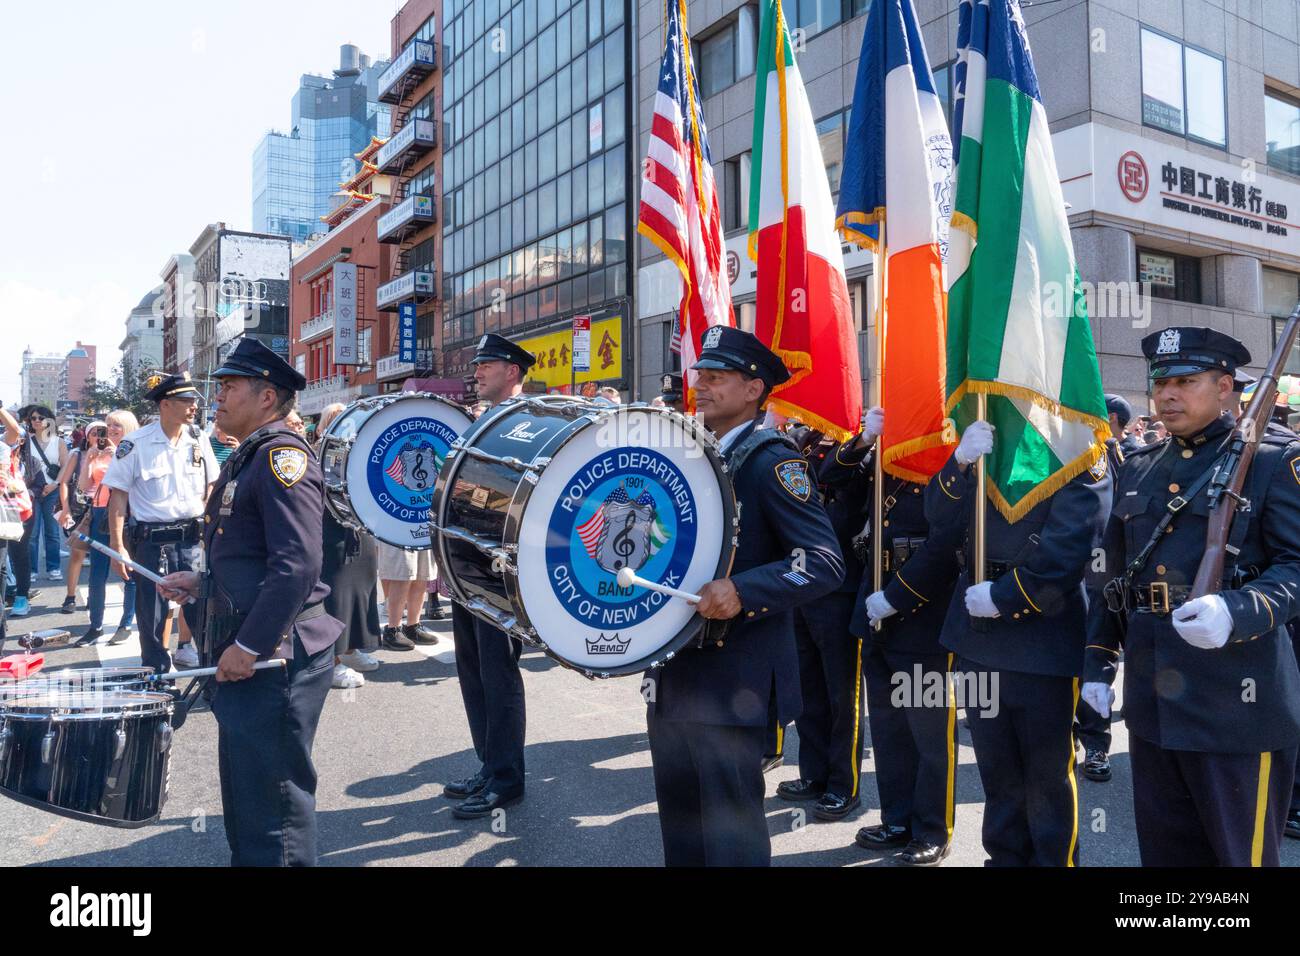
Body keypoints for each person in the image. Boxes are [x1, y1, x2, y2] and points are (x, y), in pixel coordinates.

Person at [1083, 327, 1300, 867]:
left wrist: (1238, 609)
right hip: (1155, 701)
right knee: (1168, 856)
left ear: (1225, 386)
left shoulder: (1271, 462)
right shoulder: (1140, 466)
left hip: (1238, 700)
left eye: (1186, 381)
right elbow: (1114, 578)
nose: (1167, 395)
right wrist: (1097, 664)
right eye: (1161, 383)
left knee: (1239, 860)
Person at [646, 326, 844, 866]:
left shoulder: (771, 460)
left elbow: (824, 563)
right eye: (699, 376)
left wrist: (742, 589)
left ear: (755, 389)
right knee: (682, 825)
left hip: (736, 676)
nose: (701, 386)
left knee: (731, 836)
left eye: (716, 377)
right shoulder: (691, 453)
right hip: (676, 667)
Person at [159, 337, 343, 867]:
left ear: (267, 397)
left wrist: (248, 643)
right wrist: (199, 582)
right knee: (247, 795)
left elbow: (297, 565)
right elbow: (254, 555)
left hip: (274, 657)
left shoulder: (282, 457)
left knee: (275, 807)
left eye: (229, 387)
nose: (216, 397)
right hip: (253, 656)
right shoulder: (252, 455)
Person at [924, 407, 1111, 866]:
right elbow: (938, 519)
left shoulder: (1078, 448)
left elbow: (1071, 548)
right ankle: (1004, 859)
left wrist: (1006, 597)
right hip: (976, 634)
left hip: (1042, 637)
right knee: (997, 771)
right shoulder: (989, 441)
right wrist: (960, 464)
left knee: (1046, 777)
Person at [844, 410, 963, 865]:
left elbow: (946, 544)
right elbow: (831, 479)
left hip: (920, 616)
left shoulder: (945, 464)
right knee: (890, 727)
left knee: (929, 734)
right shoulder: (883, 461)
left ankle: (933, 829)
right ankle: (897, 819)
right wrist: (862, 439)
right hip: (874, 611)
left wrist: (897, 597)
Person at [444, 333, 535, 820]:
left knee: (498, 673)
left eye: (488, 365)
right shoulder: (481, 422)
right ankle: (488, 763)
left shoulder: (530, 421)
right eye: (478, 364)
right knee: (473, 668)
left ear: (513, 373)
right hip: (466, 558)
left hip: (501, 568)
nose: (477, 371)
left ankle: (507, 779)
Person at [774, 418, 873, 823]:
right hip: (803, 585)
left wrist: (857, 439)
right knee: (809, 688)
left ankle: (842, 785)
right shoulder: (806, 443)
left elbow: (832, 473)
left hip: (840, 588)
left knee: (841, 695)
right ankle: (813, 774)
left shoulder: (859, 454)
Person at [103, 373, 217, 675]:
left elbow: (212, 484)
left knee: (201, 610)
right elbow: (118, 497)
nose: (194, 406)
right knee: (152, 614)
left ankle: (210, 675)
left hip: (193, 540)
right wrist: (118, 548)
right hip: (152, 541)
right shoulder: (135, 443)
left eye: (194, 400)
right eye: (186, 401)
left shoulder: (198, 438)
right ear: (166, 404)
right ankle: (155, 674)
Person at [21, 405, 68, 583]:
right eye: (33, 418)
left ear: (49, 420)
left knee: (52, 532)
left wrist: (55, 485)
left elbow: (65, 465)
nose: (37, 421)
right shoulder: (26, 441)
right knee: (31, 534)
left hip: (52, 492)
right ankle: (31, 570)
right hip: (31, 492)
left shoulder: (59, 442)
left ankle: (54, 568)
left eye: (41, 417)